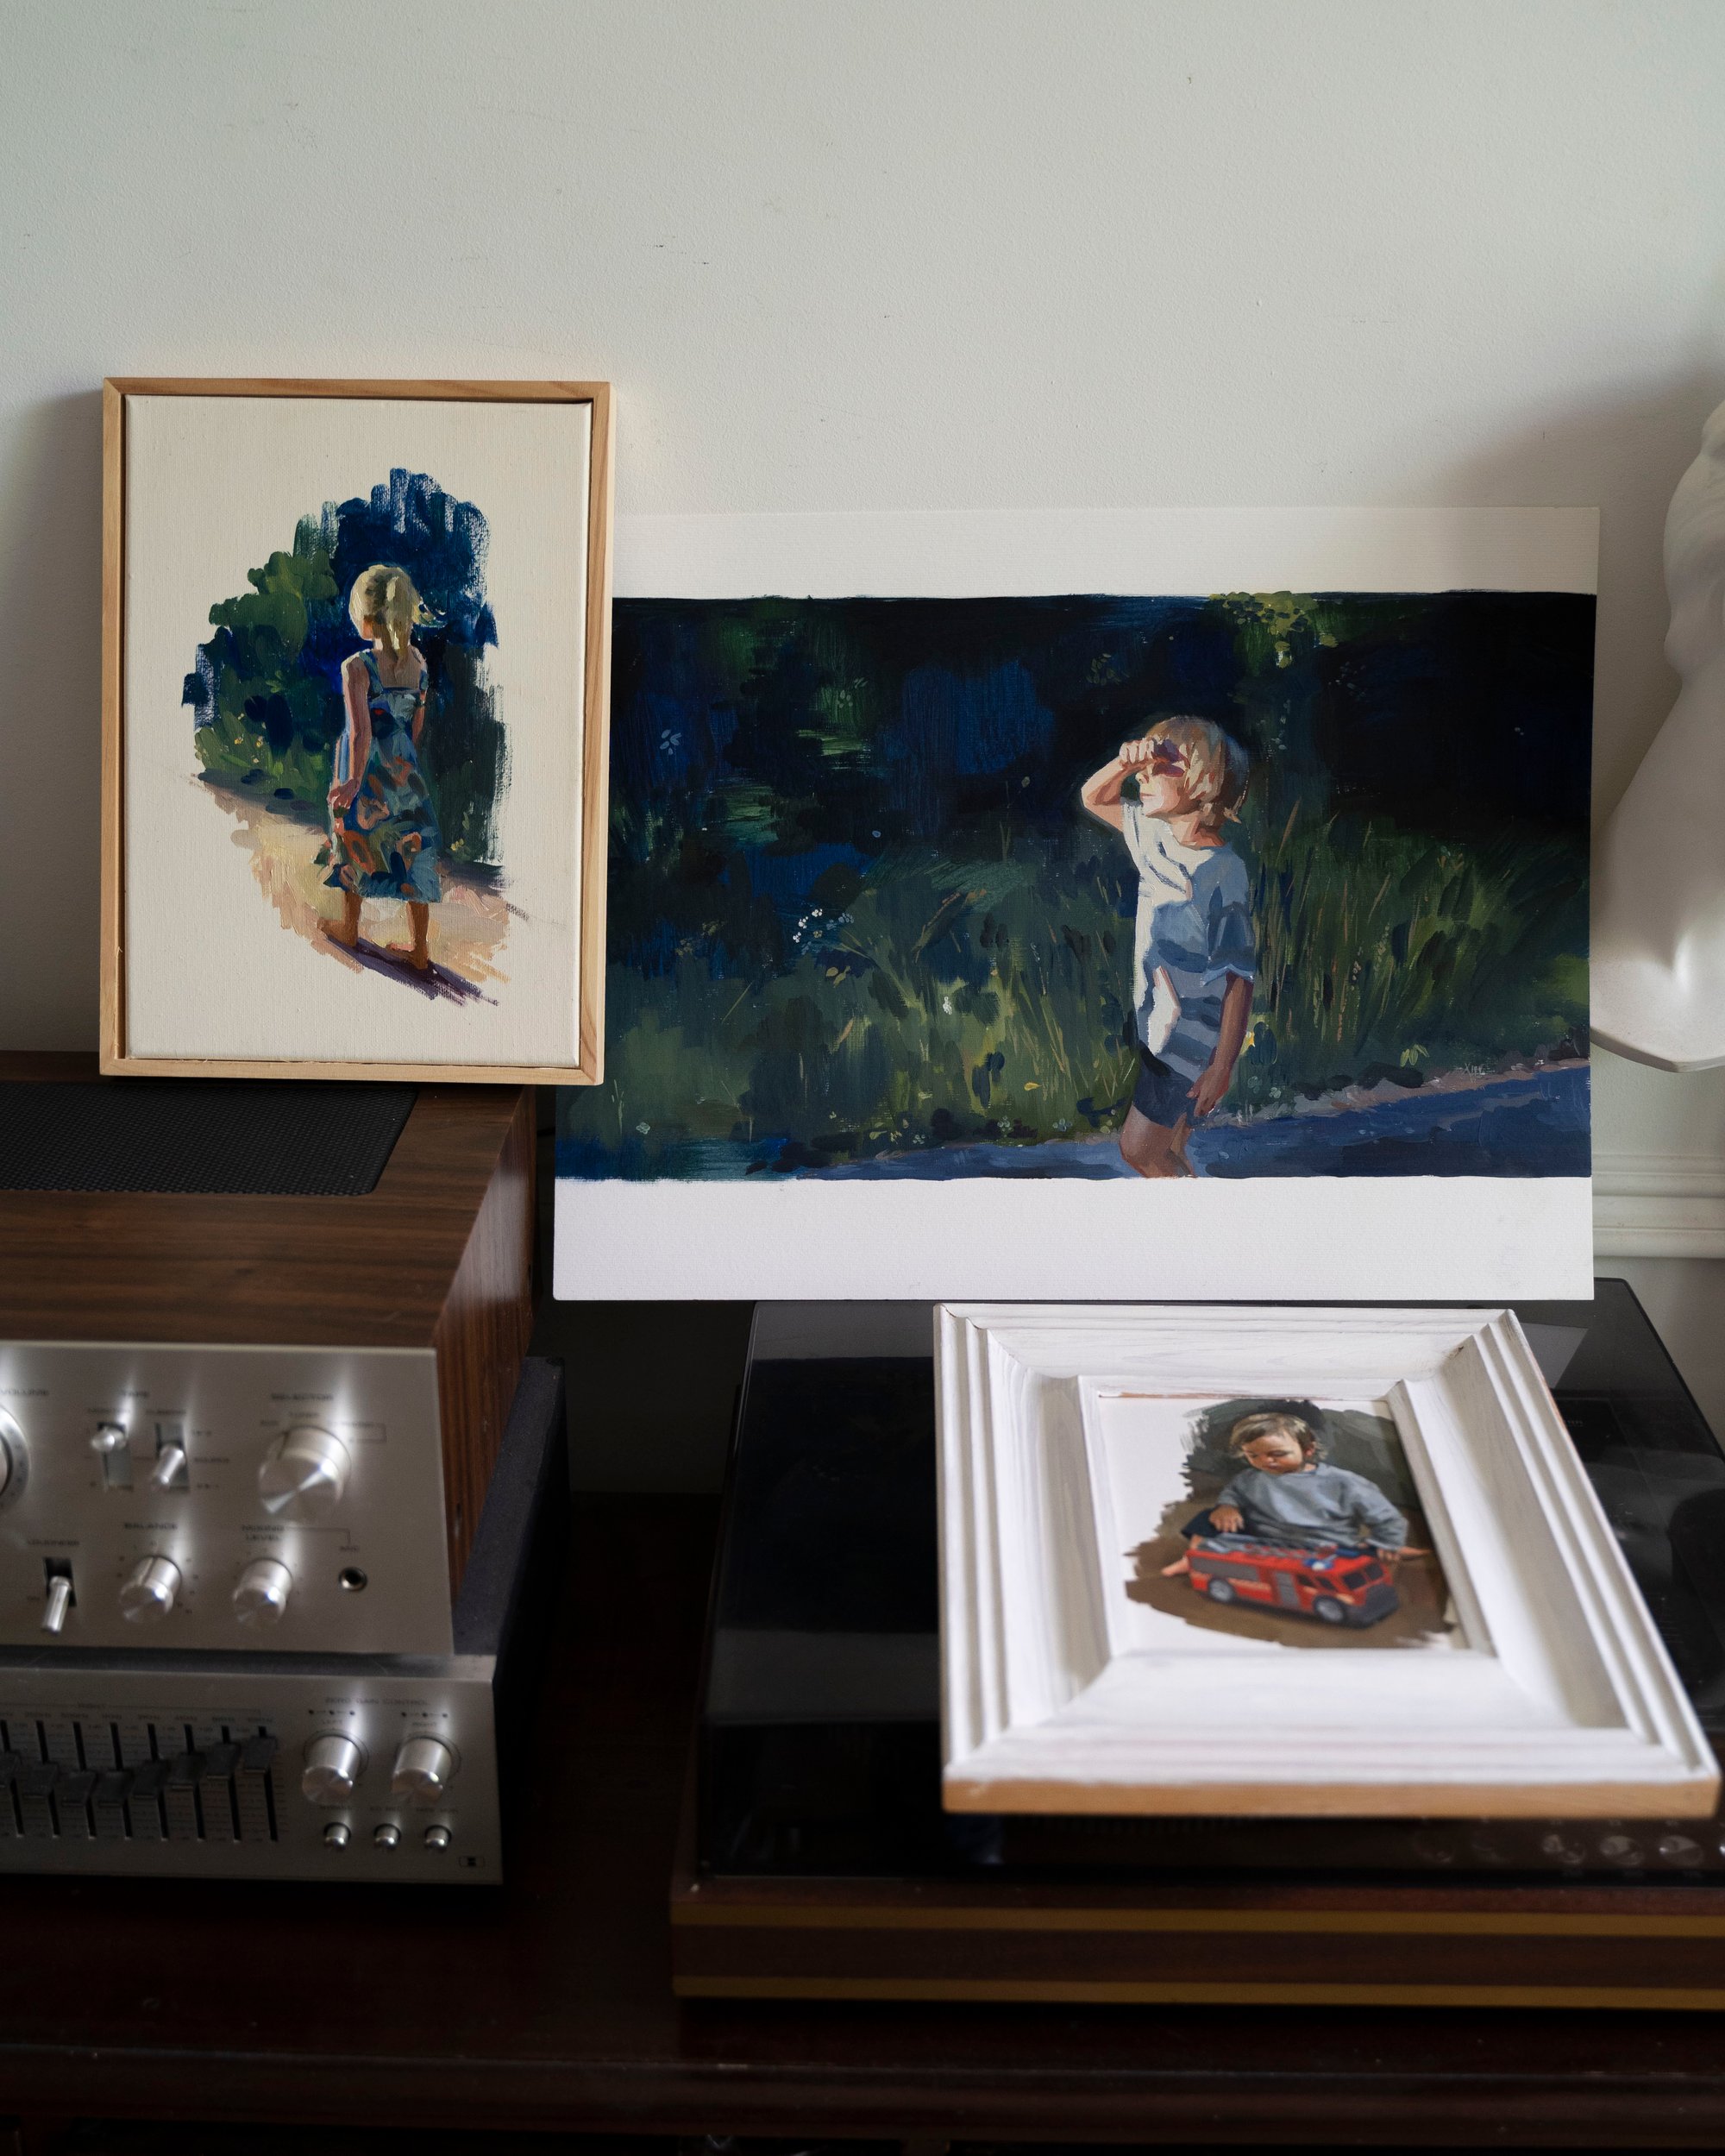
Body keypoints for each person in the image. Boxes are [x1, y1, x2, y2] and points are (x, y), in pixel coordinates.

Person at [1079, 717, 1254, 1177]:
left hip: (1189, 1044)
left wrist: (1222, 1065)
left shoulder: (1222, 872)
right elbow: (1093, 797)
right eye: (1144, 768)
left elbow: (1238, 977)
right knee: (1170, 1149)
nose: (1142, 776)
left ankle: (1195, 1219)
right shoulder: (1151, 835)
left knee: (1140, 1150)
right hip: (1156, 1027)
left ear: (1203, 782)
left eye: (1159, 767)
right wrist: (1123, 762)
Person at [323, 563, 444, 971]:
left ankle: (349, 928)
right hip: (404, 772)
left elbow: (361, 734)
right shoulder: (419, 665)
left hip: (368, 773)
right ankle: (420, 950)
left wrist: (352, 782)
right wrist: (404, 766)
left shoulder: (357, 667)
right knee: (414, 847)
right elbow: (416, 728)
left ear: (371, 618)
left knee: (354, 836)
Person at [1161, 1410, 1409, 1576]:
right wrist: (1228, 1506)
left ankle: (1394, 1550)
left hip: (1325, 1545)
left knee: (1368, 1559)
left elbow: (1386, 1517)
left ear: (1309, 1449)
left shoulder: (1345, 1482)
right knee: (1207, 1519)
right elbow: (1233, 1493)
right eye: (1253, 1455)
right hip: (1262, 1539)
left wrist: (1387, 1541)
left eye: (1277, 1454)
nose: (1265, 1461)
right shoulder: (1250, 1478)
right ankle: (1193, 1559)